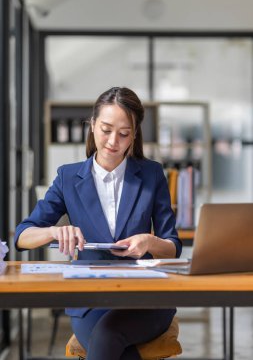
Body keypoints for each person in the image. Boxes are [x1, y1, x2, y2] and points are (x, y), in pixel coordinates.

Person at [15, 86, 182, 360]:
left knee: (107, 338)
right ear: (92, 126)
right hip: (90, 301)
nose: (113, 141)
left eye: (124, 133)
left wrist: (150, 242)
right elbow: (22, 236)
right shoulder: (68, 178)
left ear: (134, 134)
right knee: (112, 342)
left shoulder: (151, 174)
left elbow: (172, 246)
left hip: (146, 298)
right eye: (106, 129)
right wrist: (54, 231)